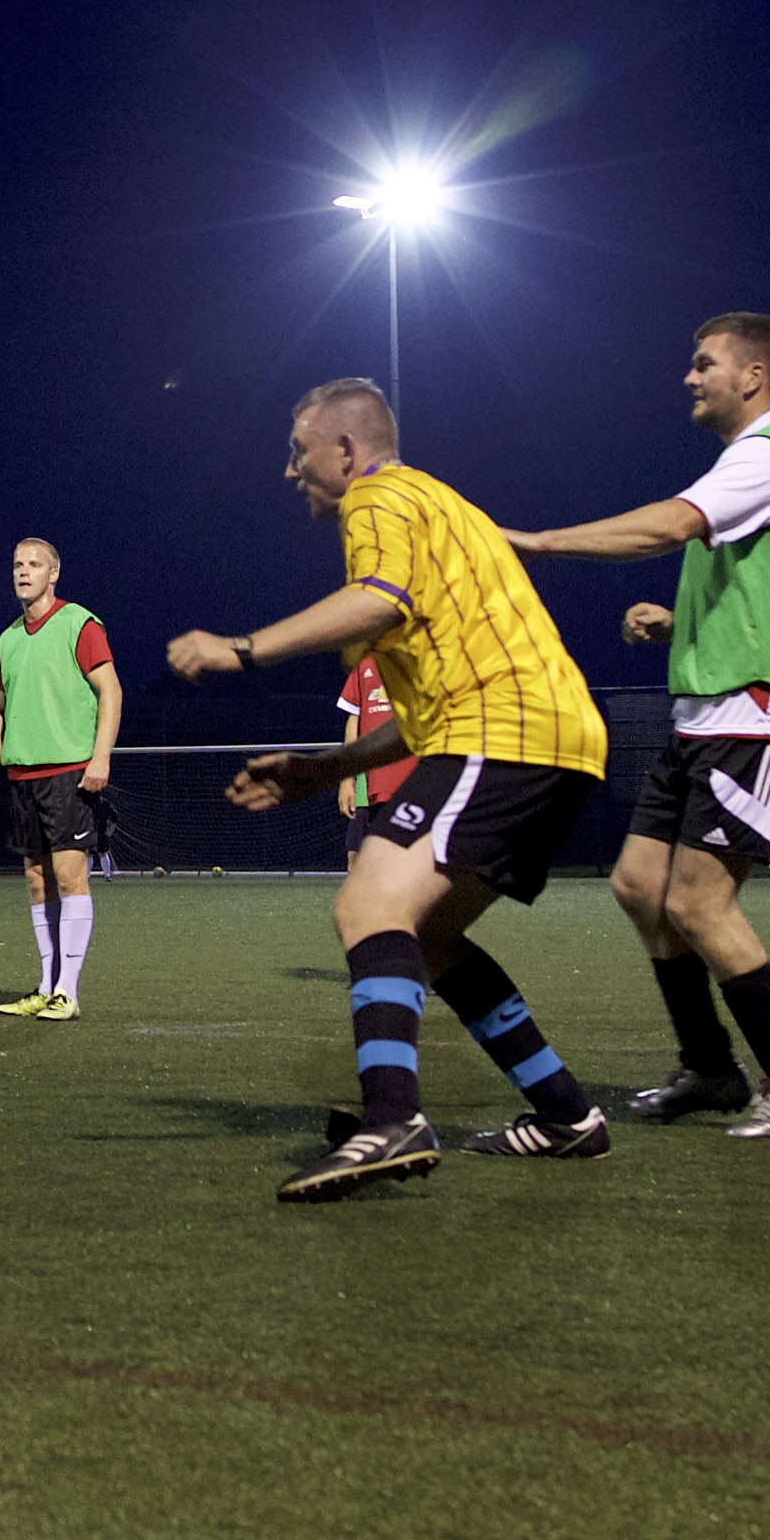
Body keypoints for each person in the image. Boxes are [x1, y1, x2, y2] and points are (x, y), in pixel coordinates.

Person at [169, 378, 613, 1201]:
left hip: (504, 732)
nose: (290, 469)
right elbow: (423, 703)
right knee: (432, 938)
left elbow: (377, 600)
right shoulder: (440, 507)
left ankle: (391, 1119)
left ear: (345, 450)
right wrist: (327, 767)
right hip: (551, 739)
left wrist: (242, 648)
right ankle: (564, 1114)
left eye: (300, 452)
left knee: (367, 907)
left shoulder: (373, 498)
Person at [502, 312, 770, 1140]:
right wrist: (675, 625)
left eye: (703, 364)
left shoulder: (767, 454)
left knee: (695, 901)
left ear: (752, 376)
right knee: (639, 889)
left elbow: (667, 524)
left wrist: (540, 543)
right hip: (704, 718)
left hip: (756, 716)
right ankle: (710, 1070)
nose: (688, 378)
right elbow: (752, 592)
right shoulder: (744, 464)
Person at [0, 539, 119, 1022]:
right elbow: (1, 713)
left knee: (68, 876)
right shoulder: (9, 638)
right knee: (37, 881)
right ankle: (45, 986)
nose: (23, 571)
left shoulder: (79, 622)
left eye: (34, 564)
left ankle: (68, 991)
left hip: (69, 772)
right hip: (21, 775)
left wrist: (100, 758)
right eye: (17, 564)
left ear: (54, 573)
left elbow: (111, 691)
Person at [334, 654, 414, 861]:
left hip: (417, 776)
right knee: (357, 855)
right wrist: (346, 779)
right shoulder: (364, 661)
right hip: (373, 780)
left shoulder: (425, 654)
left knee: (411, 857)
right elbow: (354, 719)